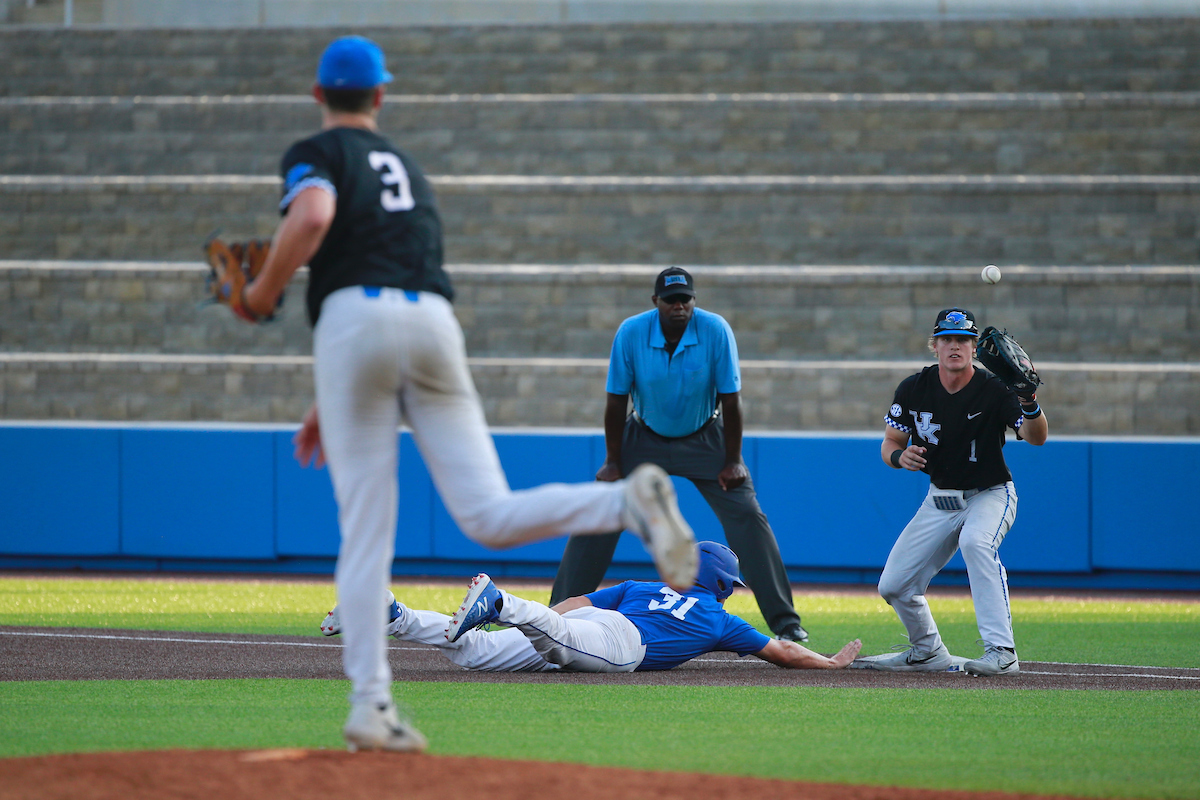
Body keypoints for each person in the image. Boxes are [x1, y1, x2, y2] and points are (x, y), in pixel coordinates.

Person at [237, 35, 699, 753]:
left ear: (319, 96)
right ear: (382, 96)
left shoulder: (318, 151)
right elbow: (390, 277)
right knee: (489, 512)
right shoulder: (410, 170)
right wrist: (332, 401)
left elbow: (315, 218)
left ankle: (372, 707)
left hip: (354, 324)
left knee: (366, 534)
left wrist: (261, 292)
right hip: (432, 323)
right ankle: (624, 501)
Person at [549, 267, 809, 642]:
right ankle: (556, 615)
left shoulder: (715, 330)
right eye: (670, 300)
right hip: (643, 436)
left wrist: (733, 459)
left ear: (693, 301)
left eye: (685, 299)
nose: (679, 306)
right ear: (655, 302)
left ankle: (786, 624)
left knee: (748, 516)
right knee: (601, 510)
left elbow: (731, 400)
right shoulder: (631, 332)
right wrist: (612, 461)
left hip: (706, 436)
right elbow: (615, 400)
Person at [851, 308, 1048, 677]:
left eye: (962, 340)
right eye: (947, 339)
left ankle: (1002, 651)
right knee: (894, 585)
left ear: (974, 348)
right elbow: (890, 441)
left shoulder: (994, 389)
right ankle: (927, 652)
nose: (954, 346)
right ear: (935, 346)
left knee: (977, 543)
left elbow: (1037, 437)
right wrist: (898, 455)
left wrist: (1029, 400)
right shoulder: (914, 387)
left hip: (989, 493)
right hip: (939, 498)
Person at [321, 543, 861, 673]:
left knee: (474, 651)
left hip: (587, 620)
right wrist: (830, 664)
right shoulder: (719, 618)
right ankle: (501, 600)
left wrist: (551, 619)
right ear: (722, 583)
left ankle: (391, 614)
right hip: (622, 644)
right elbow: (782, 649)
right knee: (553, 640)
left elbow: (574, 603)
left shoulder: (641, 582)